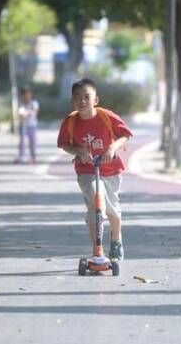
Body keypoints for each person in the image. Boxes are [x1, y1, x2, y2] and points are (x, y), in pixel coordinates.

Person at [57, 78, 133, 262]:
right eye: (77, 97)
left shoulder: (106, 116)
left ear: (95, 100)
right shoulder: (70, 122)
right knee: (95, 207)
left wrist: (112, 148)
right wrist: (79, 151)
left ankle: (116, 240)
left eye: (86, 97)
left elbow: (125, 135)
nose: (82, 101)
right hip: (86, 170)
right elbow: (64, 144)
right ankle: (97, 251)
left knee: (112, 211)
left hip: (111, 169)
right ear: (72, 101)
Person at [16, 86, 39, 164]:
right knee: (22, 141)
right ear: (22, 95)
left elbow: (34, 112)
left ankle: (33, 157)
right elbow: (20, 113)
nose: (26, 96)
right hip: (23, 125)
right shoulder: (21, 103)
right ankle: (22, 156)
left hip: (32, 125)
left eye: (28, 94)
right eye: (25, 95)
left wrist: (27, 113)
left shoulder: (34, 103)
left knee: (32, 142)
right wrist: (27, 113)